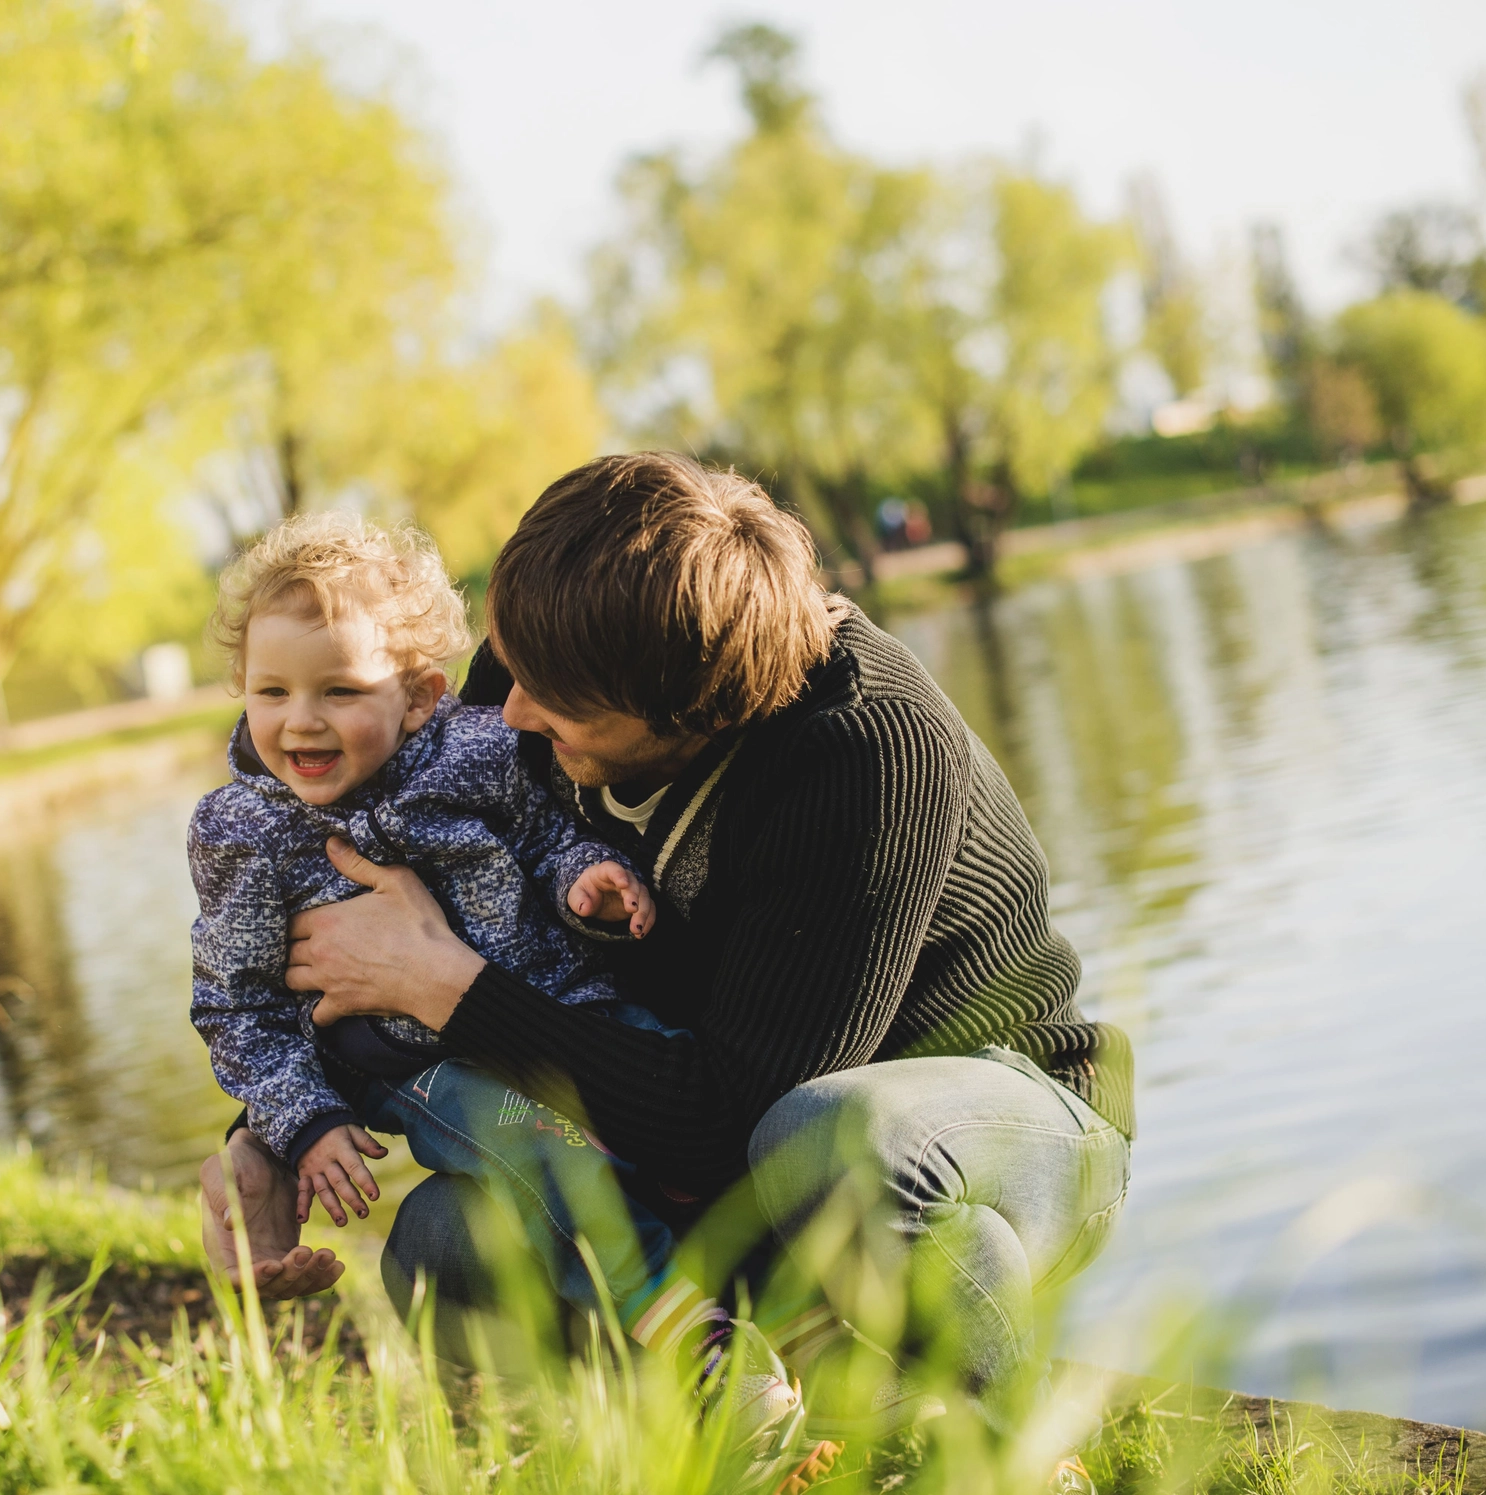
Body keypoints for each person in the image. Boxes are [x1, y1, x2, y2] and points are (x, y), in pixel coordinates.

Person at [199, 454, 1133, 1452]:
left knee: (835, 1134)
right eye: (507, 667)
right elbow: (355, 914)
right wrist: (268, 1130)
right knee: (443, 1249)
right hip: (727, 1160)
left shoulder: (862, 749)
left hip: (978, 1127)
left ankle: (1003, 1445)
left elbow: (728, 1115)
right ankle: (751, 1405)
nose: (506, 712)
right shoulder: (554, 657)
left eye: (551, 703)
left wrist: (445, 986)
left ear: (688, 712)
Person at [187, 512, 808, 1462]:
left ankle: (785, 1309)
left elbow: (547, 832)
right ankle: (707, 1352)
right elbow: (237, 1002)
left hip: (554, 1006)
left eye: (340, 689)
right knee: (551, 1159)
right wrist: (299, 1120)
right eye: (271, 691)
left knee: (673, 1089)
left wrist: (586, 877)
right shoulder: (244, 830)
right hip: (407, 1055)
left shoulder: (477, 749)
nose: (300, 720)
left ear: (422, 695)